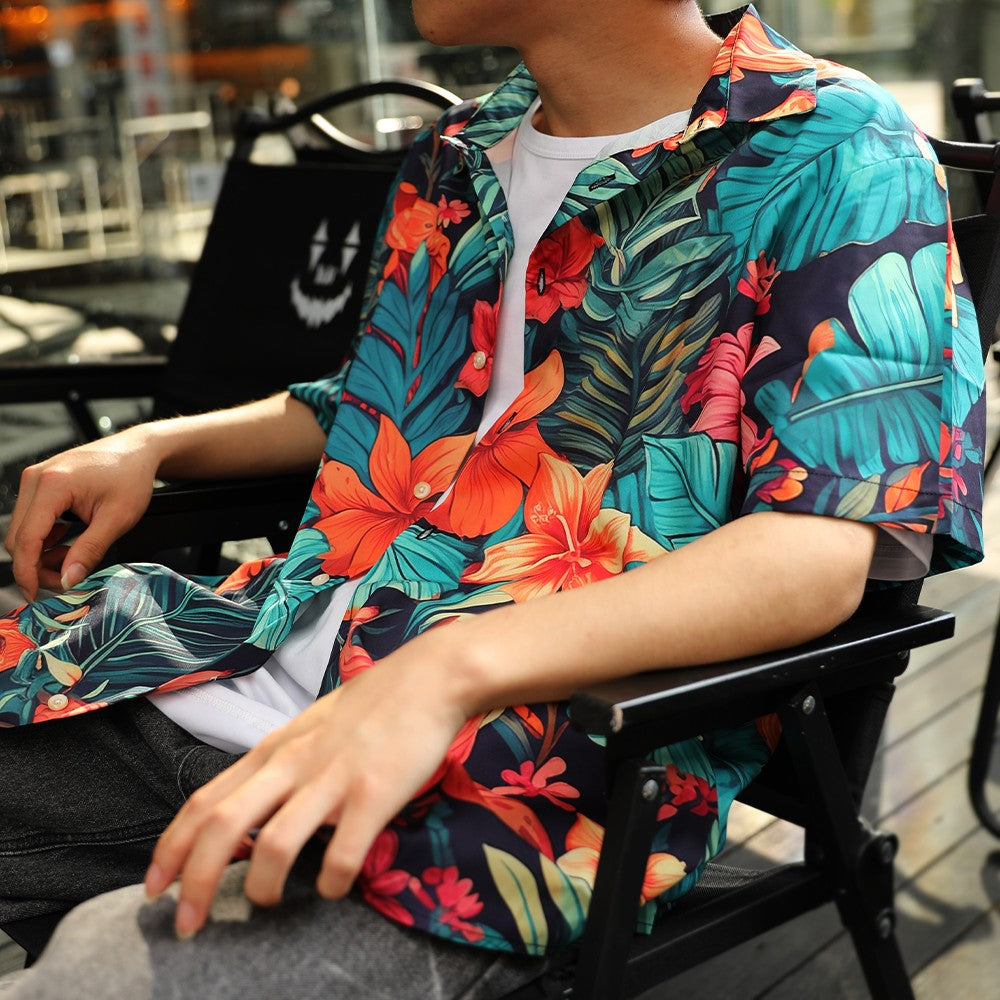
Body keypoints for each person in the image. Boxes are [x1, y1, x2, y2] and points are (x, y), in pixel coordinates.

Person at [0, 2, 986, 997]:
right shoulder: (457, 152)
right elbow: (382, 395)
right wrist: (158, 444)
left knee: (106, 970)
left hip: (494, 785)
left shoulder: (833, 145)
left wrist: (442, 673)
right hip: (228, 663)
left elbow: (819, 547)